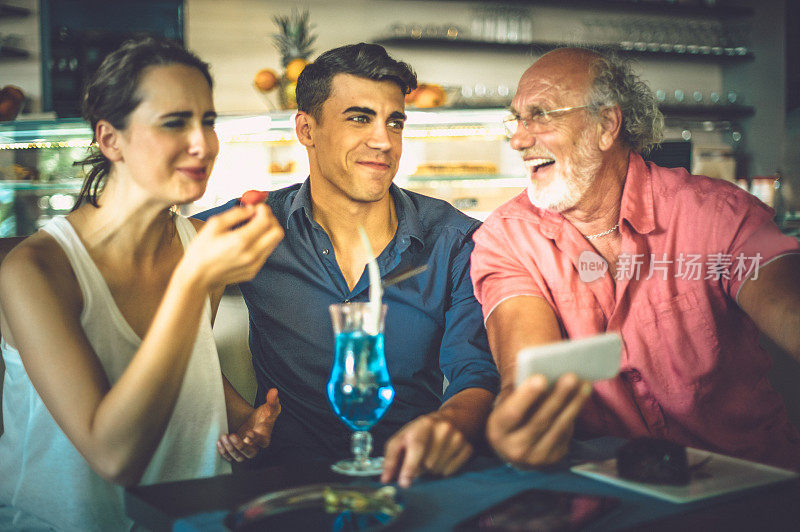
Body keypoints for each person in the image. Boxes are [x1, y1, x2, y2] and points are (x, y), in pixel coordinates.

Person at [0, 38, 284, 531]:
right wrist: (194, 280)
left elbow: (178, 361)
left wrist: (242, 418)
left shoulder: (194, 241)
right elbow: (112, 456)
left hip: (191, 519)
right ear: (110, 140)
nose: (203, 143)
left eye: (209, 121)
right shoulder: (37, 271)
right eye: (175, 122)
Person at [471, 47, 800, 471]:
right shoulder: (506, 237)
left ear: (607, 124)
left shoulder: (718, 214)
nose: (517, 139)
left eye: (542, 115)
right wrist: (523, 417)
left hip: (749, 482)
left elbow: (787, 305)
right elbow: (528, 372)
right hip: (611, 492)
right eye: (516, 119)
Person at [197, 43, 499, 487]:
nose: (383, 140)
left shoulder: (455, 240)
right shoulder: (255, 224)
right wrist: (235, 410)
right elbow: (146, 262)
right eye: (359, 118)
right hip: (283, 483)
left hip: (410, 480)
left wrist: (449, 424)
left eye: (394, 121)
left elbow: (475, 371)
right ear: (306, 129)